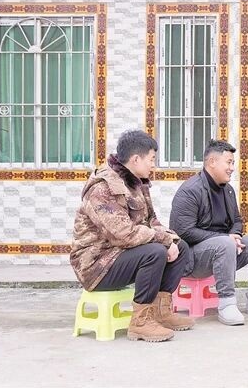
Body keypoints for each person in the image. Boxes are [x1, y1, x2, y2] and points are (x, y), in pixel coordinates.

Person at [71, 130, 194, 342]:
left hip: (120, 255)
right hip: (96, 265)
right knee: (155, 252)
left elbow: (151, 221)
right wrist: (163, 240)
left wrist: (171, 239)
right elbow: (123, 234)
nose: (154, 165)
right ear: (136, 159)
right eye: (151, 159)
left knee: (180, 246)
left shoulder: (136, 183)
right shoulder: (103, 188)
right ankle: (140, 323)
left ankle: (160, 311)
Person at [169, 140, 248, 326]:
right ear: (212, 162)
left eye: (233, 163)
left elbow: (237, 221)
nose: (232, 168)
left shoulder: (227, 190)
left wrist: (235, 236)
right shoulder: (190, 190)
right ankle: (227, 303)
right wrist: (225, 238)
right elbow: (183, 231)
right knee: (225, 243)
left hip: (225, 251)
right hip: (192, 259)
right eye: (229, 162)